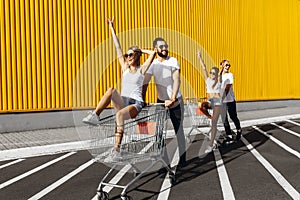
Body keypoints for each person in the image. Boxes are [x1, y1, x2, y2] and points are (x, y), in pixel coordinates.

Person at [82, 17, 156, 161]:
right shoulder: (125, 68)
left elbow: (153, 53)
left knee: (119, 116)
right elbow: (117, 47)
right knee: (110, 89)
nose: (127, 57)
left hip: (135, 103)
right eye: (127, 55)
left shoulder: (142, 69)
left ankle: (116, 150)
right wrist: (111, 27)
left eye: (131, 54)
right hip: (123, 101)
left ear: (137, 56)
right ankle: (95, 115)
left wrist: (140, 49)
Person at [143, 37, 186, 166]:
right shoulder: (153, 64)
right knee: (158, 133)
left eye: (166, 46)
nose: (165, 49)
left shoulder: (173, 61)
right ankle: (165, 162)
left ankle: (183, 159)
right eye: (161, 47)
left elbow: (176, 78)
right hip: (161, 102)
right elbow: (145, 82)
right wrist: (142, 99)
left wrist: (173, 97)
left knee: (179, 130)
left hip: (175, 101)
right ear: (155, 49)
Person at [197, 50, 223, 153]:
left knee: (213, 124)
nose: (212, 74)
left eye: (213, 73)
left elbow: (220, 74)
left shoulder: (219, 81)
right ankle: (210, 117)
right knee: (200, 105)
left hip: (217, 103)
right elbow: (203, 68)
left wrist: (221, 69)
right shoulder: (208, 80)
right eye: (211, 72)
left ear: (216, 74)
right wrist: (200, 57)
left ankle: (211, 144)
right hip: (210, 101)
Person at [220, 60, 242, 143]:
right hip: (222, 102)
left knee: (233, 117)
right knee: (224, 119)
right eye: (226, 65)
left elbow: (227, 87)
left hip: (230, 100)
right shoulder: (219, 76)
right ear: (221, 65)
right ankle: (229, 135)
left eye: (229, 65)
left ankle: (239, 130)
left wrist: (221, 98)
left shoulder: (230, 75)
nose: (228, 66)